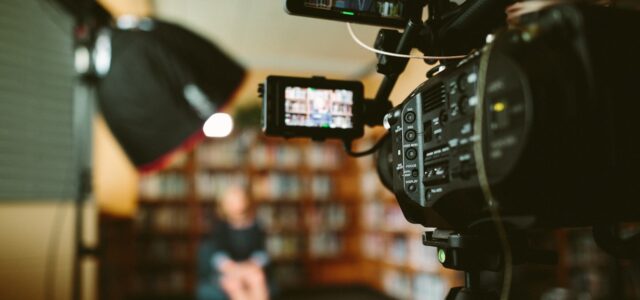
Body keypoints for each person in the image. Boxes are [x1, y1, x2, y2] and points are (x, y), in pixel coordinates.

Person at [198, 185, 270, 300]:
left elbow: (262, 253)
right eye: (230, 201)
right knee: (234, 284)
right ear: (223, 204)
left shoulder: (256, 225)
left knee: (257, 278)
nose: (235, 204)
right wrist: (234, 269)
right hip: (228, 270)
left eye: (238, 200)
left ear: (245, 201)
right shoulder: (220, 227)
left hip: (250, 268)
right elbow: (217, 255)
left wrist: (250, 265)